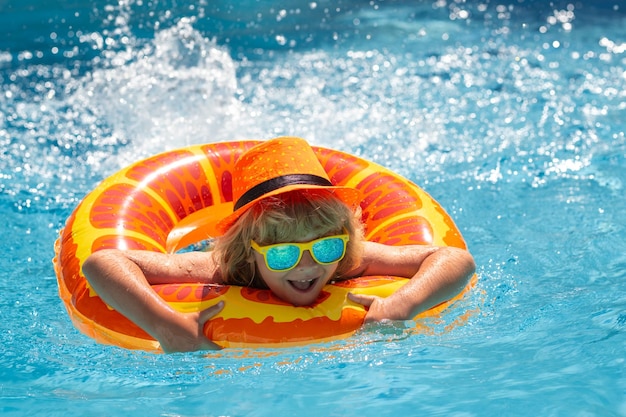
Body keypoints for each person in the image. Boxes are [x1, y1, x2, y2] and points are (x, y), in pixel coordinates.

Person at [83, 137, 475, 353]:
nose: (307, 266)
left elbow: (453, 258)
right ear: (249, 250)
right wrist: (165, 324)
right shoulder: (226, 269)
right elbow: (103, 263)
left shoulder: (347, 261)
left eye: (324, 248)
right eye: (284, 254)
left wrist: (401, 304)